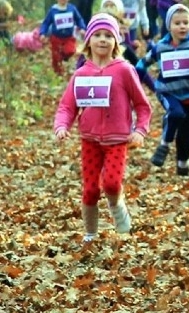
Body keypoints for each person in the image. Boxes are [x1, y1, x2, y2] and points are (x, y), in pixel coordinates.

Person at [53, 14, 152, 243]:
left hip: (118, 138)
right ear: (88, 41)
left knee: (111, 184)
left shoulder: (124, 70)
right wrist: (61, 126)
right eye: (97, 35)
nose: (102, 40)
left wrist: (140, 130)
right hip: (89, 139)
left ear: (116, 42)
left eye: (108, 35)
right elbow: (67, 106)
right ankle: (90, 234)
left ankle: (118, 208)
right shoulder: (81, 74)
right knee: (90, 190)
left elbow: (142, 106)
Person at [136, 4, 189, 177]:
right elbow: (143, 63)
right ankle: (164, 145)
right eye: (177, 23)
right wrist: (135, 80)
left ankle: (182, 164)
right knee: (175, 113)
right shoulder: (160, 47)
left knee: (187, 132)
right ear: (169, 26)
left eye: (185, 22)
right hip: (167, 91)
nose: (182, 26)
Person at [40, 0, 87, 76]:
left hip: (69, 37)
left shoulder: (71, 8)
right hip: (56, 38)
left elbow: (79, 19)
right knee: (56, 57)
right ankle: (58, 73)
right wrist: (42, 33)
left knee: (70, 51)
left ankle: (64, 57)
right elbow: (46, 22)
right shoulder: (53, 10)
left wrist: (82, 28)